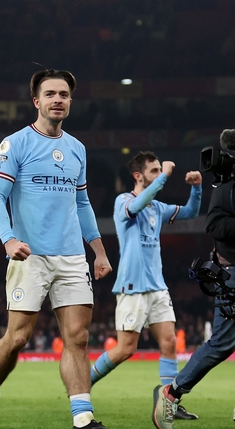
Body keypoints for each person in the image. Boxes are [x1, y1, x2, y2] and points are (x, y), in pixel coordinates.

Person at [0, 69, 112, 429]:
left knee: (78, 338)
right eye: (51, 94)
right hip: (30, 255)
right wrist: (9, 239)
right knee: (18, 337)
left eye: (64, 95)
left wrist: (98, 251)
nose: (58, 100)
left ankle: (83, 417)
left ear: (70, 101)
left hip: (71, 256)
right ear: (36, 101)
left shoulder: (76, 148)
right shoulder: (15, 144)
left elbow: (82, 204)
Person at [89, 152, 201, 421]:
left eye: (158, 171)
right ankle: (82, 383)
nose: (158, 175)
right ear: (138, 176)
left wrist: (196, 187)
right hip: (133, 287)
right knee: (126, 348)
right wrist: (164, 176)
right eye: (153, 171)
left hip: (157, 288)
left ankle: (168, 403)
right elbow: (138, 204)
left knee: (170, 343)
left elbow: (191, 213)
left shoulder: (157, 207)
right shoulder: (123, 202)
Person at [151, 128, 235, 429]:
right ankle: (172, 393)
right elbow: (214, 224)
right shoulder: (227, 187)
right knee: (222, 344)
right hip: (233, 273)